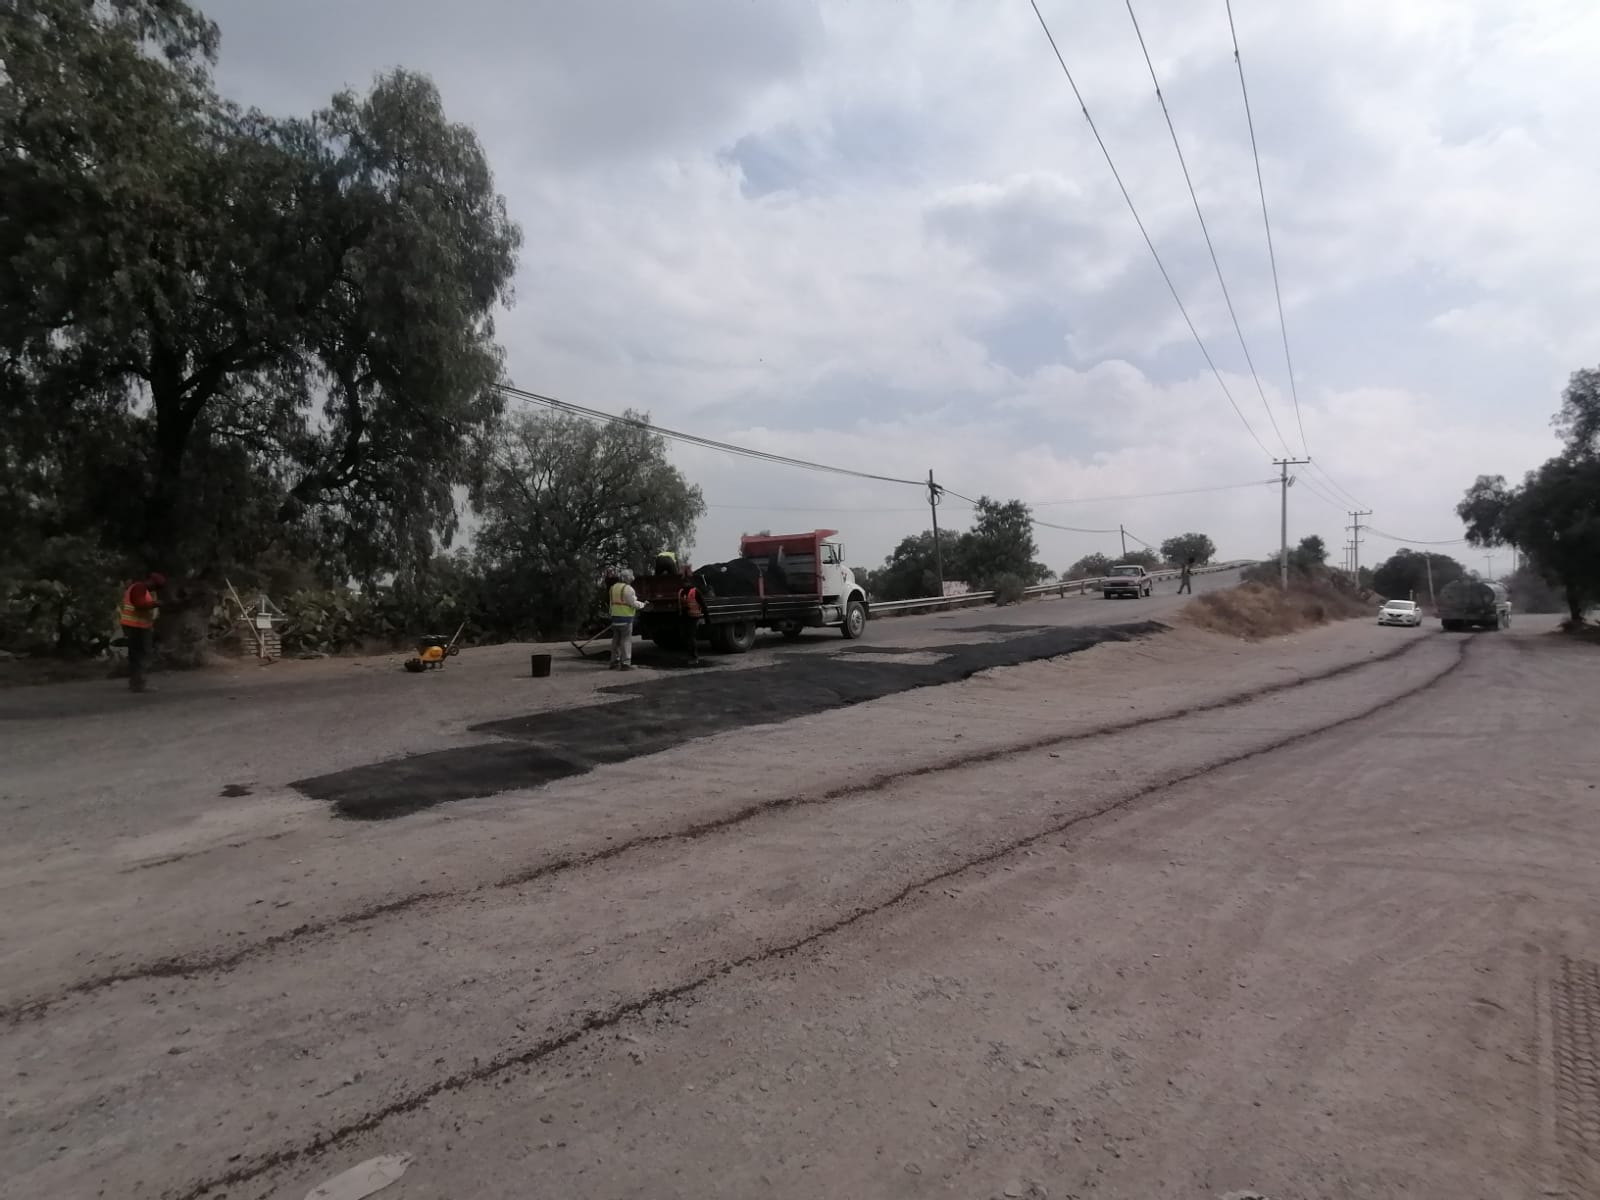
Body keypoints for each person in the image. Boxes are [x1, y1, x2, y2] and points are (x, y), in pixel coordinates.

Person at [118, 571, 166, 692]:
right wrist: (156, 604)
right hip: (136, 627)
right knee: (142, 655)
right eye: (155, 585)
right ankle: (139, 684)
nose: (154, 589)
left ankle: (136, 683)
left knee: (136, 655)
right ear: (150, 581)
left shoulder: (141, 589)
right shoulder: (140, 587)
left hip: (136, 626)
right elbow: (139, 604)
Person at [606, 569, 640, 670]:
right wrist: (643, 605)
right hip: (626, 619)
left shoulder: (613, 588)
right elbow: (633, 603)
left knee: (615, 641)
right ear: (628, 578)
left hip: (615, 618)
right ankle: (625, 664)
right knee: (626, 640)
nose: (632, 579)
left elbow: (612, 603)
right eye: (631, 577)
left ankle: (614, 662)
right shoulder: (628, 589)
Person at [678, 571, 705, 665]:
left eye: (687, 581)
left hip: (693, 618)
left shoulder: (695, 591)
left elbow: (703, 604)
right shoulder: (681, 591)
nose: (685, 583)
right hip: (684, 617)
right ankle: (690, 655)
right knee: (686, 637)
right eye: (684, 581)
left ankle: (694, 657)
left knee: (691, 637)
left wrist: (704, 617)